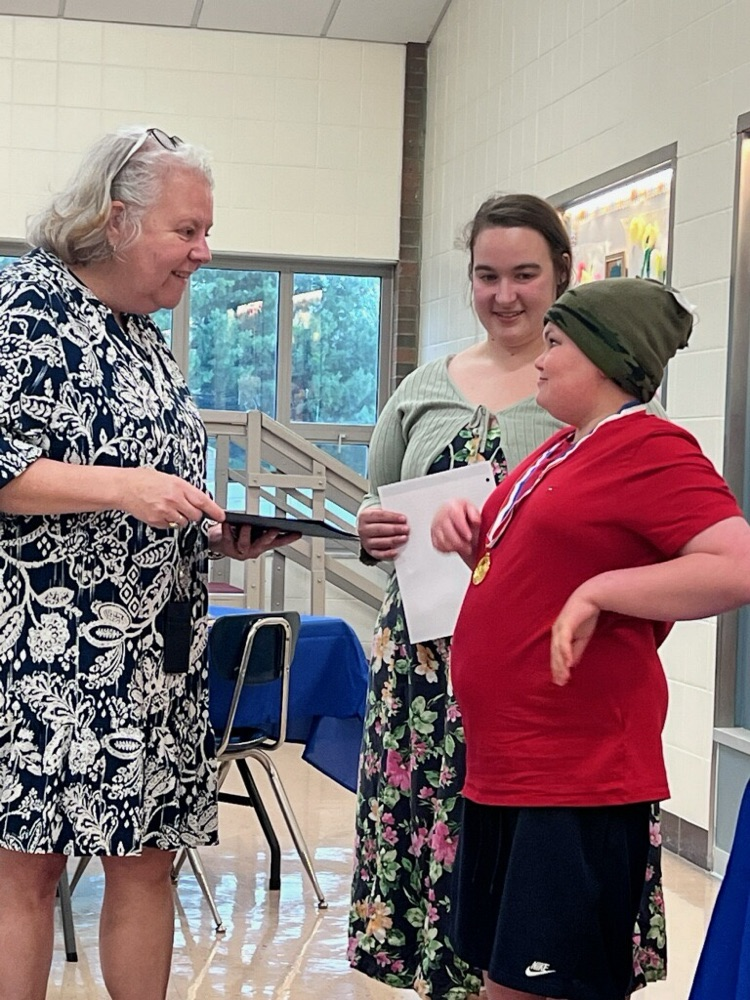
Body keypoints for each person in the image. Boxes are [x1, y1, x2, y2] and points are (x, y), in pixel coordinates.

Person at [0, 126, 294, 1000]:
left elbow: (149, 489)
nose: (204, 252)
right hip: (48, 653)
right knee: (30, 870)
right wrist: (124, 487)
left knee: (148, 861)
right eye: (186, 230)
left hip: (154, 656)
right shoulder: (28, 314)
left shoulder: (141, 336)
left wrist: (209, 531)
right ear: (116, 220)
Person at [349, 194, 666, 998]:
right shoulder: (427, 385)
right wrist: (373, 529)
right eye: (487, 275)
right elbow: (372, 499)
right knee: (439, 841)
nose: (505, 295)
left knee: (536, 875)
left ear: (565, 274)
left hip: (540, 680)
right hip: (425, 669)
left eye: (526, 274)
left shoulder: (590, 397)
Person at [431, 277, 750, 1000]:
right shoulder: (560, 450)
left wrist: (604, 592)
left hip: (574, 776)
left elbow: (736, 564)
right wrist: (465, 535)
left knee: (545, 985)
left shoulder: (650, 447)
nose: (538, 361)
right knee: (499, 979)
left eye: (555, 344)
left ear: (606, 360)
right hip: (509, 768)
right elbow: (528, 563)